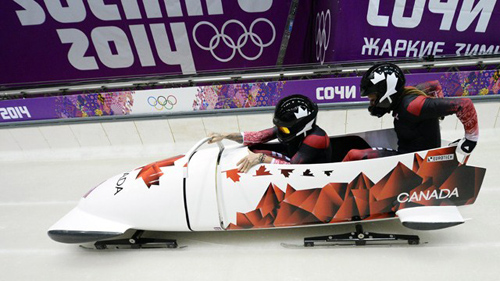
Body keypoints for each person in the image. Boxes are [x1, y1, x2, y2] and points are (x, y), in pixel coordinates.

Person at [343, 62, 479, 161]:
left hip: (415, 163)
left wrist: (470, 140)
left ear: (386, 93)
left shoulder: (412, 105)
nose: (371, 104)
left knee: (353, 155)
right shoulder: (407, 94)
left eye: (373, 99)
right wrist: (437, 113)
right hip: (407, 157)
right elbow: (434, 86)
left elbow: (464, 104)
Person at [209, 94, 332, 172]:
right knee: (257, 150)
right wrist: (226, 135)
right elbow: (260, 137)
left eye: (284, 128)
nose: (280, 130)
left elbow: (293, 167)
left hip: (313, 177)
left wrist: (261, 158)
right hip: (300, 167)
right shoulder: (289, 129)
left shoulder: (316, 139)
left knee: (260, 155)